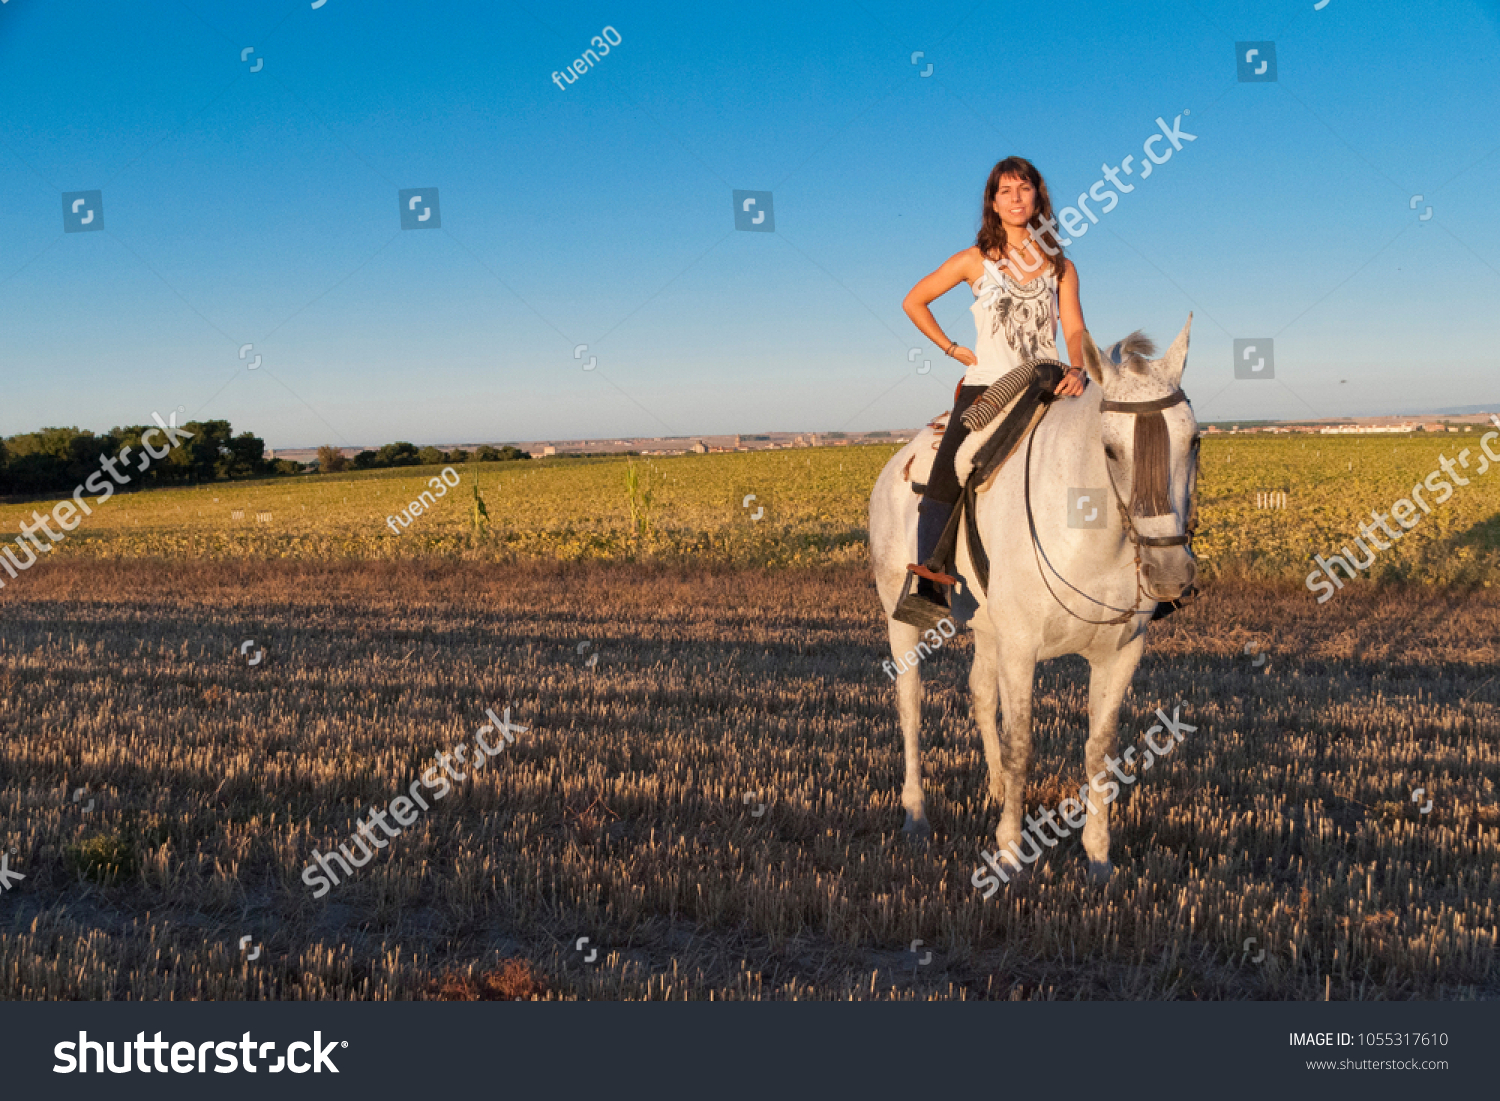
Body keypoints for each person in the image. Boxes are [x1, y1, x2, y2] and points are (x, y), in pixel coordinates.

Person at [896, 156, 1089, 625]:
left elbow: (1074, 327)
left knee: (1110, 450)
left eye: (1024, 189)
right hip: (987, 390)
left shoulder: (1061, 267)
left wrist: (1079, 367)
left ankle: (1138, 572)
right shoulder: (973, 260)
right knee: (949, 470)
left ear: (1037, 198)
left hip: (1048, 386)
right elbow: (913, 300)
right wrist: (950, 347)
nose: (1017, 199)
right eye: (1006, 191)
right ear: (993, 202)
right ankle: (929, 582)